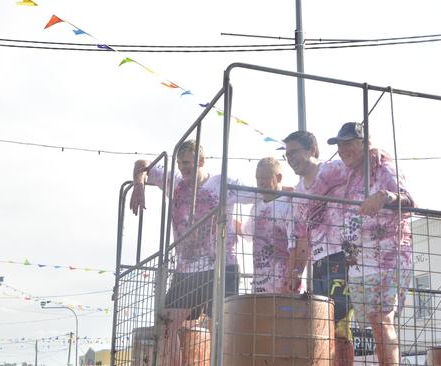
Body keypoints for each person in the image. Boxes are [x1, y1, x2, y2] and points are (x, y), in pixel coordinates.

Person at [286, 123, 415, 366]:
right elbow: (303, 232)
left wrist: (386, 196)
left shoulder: (379, 167)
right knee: (360, 323)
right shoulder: (348, 175)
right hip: (355, 259)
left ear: (365, 143)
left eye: (349, 143)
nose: (344, 149)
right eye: (340, 145)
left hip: (384, 254)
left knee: (378, 320)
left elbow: (409, 200)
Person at [130, 139, 251, 365]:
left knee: (222, 326)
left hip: (220, 267)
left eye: (188, 163)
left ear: (201, 161)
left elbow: (256, 193)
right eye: (180, 163)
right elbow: (142, 163)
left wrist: (280, 189)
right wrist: (139, 184)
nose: (183, 168)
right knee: (165, 324)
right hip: (186, 270)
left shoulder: (221, 184)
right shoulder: (174, 183)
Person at [282, 130, 354, 366]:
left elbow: (363, 175)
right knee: (322, 324)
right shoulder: (299, 191)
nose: (290, 158)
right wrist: (295, 271)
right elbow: (303, 236)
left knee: (339, 323)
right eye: (286, 155)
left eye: (294, 152)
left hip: (343, 255)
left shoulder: (333, 169)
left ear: (311, 149)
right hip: (319, 263)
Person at [242, 157, 295, 294]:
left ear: (278, 177)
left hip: (282, 281)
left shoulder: (288, 204)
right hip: (259, 282)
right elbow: (246, 232)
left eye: (265, 177)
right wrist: (224, 220)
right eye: (258, 178)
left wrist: (292, 275)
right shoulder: (256, 206)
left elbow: (296, 244)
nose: (261, 182)